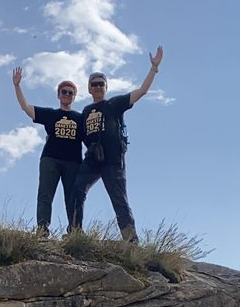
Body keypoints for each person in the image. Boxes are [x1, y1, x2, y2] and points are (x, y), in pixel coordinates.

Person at [71, 46, 163, 243]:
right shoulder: (86, 111)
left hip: (113, 159)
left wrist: (153, 68)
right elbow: (78, 135)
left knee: (119, 200)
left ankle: (131, 241)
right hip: (93, 159)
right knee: (77, 190)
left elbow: (142, 91)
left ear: (106, 87)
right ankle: (75, 233)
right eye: (94, 84)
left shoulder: (114, 104)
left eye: (100, 84)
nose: (97, 87)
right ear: (88, 88)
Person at [11, 67, 83, 235]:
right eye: (64, 92)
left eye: (70, 93)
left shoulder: (80, 118)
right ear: (58, 95)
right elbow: (26, 108)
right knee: (45, 194)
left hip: (73, 162)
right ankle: (42, 229)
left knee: (72, 198)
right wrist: (17, 86)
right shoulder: (50, 114)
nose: (66, 95)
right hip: (50, 159)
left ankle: (75, 231)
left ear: (74, 96)